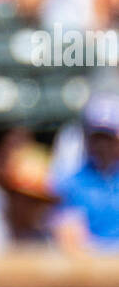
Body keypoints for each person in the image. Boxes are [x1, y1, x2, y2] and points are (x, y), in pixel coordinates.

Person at [53, 92, 119, 250]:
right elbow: (68, 234)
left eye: (108, 138)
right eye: (97, 138)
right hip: (88, 265)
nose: (102, 146)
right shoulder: (70, 183)